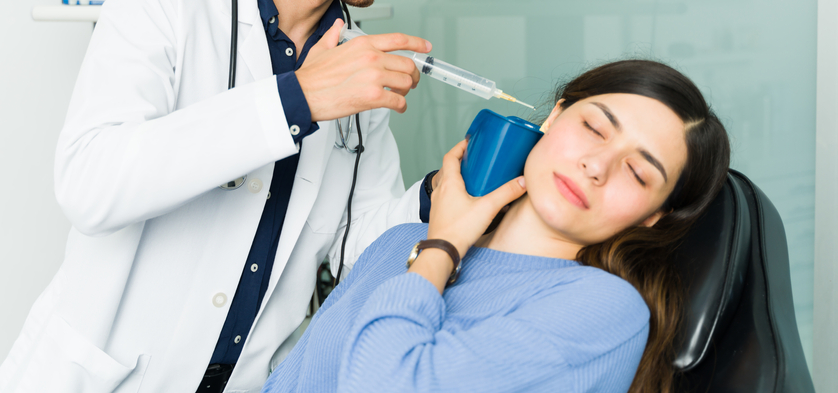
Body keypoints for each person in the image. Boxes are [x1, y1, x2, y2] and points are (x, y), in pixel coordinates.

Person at [0, 0, 457, 393]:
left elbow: (355, 248)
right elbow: (89, 184)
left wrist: (437, 194)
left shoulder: (353, 64)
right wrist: (296, 100)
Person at [261, 59, 731, 393]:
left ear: (652, 217)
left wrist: (443, 246)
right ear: (555, 115)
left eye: (638, 172)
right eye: (595, 128)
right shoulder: (399, 244)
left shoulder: (605, 309)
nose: (597, 166)